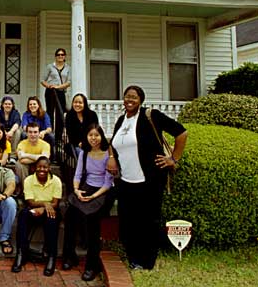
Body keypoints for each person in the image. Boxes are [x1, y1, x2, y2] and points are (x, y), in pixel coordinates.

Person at [108, 85, 188, 270]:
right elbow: (114, 142)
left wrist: (173, 158)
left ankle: (147, 261)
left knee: (148, 222)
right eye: (127, 97)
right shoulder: (121, 120)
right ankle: (134, 258)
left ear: (141, 100)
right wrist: (111, 158)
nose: (129, 100)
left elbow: (181, 132)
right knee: (128, 222)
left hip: (149, 180)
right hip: (126, 180)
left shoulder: (151, 116)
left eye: (134, 97)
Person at [62, 123, 114, 282]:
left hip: (103, 192)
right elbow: (77, 176)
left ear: (101, 136)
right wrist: (77, 191)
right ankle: (70, 256)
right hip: (86, 188)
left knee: (92, 221)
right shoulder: (84, 154)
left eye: (96, 135)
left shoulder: (108, 155)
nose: (93, 138)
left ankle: (92, 265)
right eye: (90, 135)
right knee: (70, 214)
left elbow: (107, 183)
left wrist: (93, 197)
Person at [12, 156, 62, 276]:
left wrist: (45, 209)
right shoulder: (29, 180)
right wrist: (44, 204)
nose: (42, 169)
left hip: (51, 210)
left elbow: (55, 203)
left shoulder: (56, 180)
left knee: (52, 218)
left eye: (45, 167)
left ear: (49, 168)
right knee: (23, 215)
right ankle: (21, 253)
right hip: (34, 209)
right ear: (35, 168)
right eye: (39, 166)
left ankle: (51, 256)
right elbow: (30, 201)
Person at [41, 48, 71, 139]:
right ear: (55, 56)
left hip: (61, 92)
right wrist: (49, 86)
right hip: (50, 91)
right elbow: (42, 80)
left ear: (65, 56)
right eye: (58, 55)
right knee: (50, 112)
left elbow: (69, 82)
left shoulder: (68, 68)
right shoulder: (50, 66)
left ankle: (58, 136)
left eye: (62, 55)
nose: (60, 56)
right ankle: (50, 133)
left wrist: (58, 87)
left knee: (60, 113)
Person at [15, 122, 50, 193]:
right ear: (26, 133)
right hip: (26, 167)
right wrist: (38, 158)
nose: (33, 135)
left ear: (39, 133)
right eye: (30, 132)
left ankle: (41, 191)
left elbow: (45, 158)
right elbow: (21, 160)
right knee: (19, 164)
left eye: (35, 132)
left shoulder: (45, 145)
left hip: (39, 166)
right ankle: (25, 190)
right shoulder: (22, 144)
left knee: (44, 164)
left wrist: (26, 155)